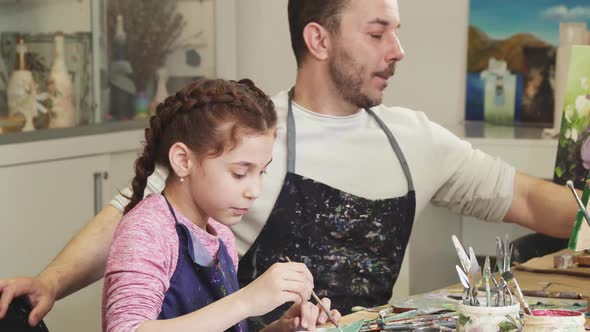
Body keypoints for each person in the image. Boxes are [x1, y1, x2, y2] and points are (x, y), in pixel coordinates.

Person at [0, 0, 579, 328]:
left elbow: (529, 200)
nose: (397, 51)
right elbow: (134, 218)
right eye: (378, 33)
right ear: (319, 40)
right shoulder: (247, 136)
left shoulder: (417, 139)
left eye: (396, 33)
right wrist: (50, 280)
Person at [101, 78, 339, 332]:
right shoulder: (148, 230)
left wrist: (282, 328)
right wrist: (246, 301)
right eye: (239, 173)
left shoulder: (220, 235)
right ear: (183, 160)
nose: (255, 191)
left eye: (262, 173)